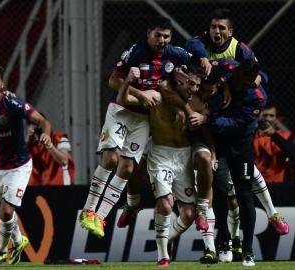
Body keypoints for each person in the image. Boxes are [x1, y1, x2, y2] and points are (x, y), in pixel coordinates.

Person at [79, 16, 191, 238]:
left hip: (143, 119)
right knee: (111, 159)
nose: (161, 40)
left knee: (128, 168)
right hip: (121, 110)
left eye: (166, 36)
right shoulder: (135, 52)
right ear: (149, 33)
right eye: (157, 35)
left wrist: (203, 63)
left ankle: (100, 217)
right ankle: (88, 210)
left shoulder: (174, 54)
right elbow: (113, 80)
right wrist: (140, 92)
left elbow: (197, 59)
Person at [117, 65, 205, 267]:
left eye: (197, 85)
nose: (193, 88)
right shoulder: (157, 97)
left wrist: (204, 117)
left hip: (184, 157)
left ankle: (167, 238)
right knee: (165, 205)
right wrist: (129, 82)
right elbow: (123, 100)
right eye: (190, 83)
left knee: (189, 215)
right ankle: (162, 255)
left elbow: (210, 120)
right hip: (161, 155)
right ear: (180, 80)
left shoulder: (199, 102)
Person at [0, 64, 52, 265]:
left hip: (19, 166)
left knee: (6, 210)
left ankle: (1, 251)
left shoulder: (13, 103)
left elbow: (43, 121)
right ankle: (19, 241)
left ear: (2, 83)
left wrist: (44, 133)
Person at [209, 58, 267, 267]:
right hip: (220, 146)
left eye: (247, 81)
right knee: (221, 189)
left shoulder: (257, 97)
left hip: (241, 146)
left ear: (253, 80)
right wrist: (222, 82)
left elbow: (238, 124)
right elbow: (213, 64)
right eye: (240, 79)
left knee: (244, 195)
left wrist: (211, 118)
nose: (242, 84)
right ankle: (224, 241)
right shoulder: (230, 70)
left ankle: (248, 251)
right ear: (238, 73)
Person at [27, 116, 75, 185]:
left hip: (59, 186)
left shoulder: (59, 138)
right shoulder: (31, 145)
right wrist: (27, 141)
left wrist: (49, 145)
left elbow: (64, 161)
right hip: (37, 188)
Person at [254, 104, 295, 183]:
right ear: (260, 117)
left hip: (279, 181)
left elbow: (291, 153)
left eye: (271, 115)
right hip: (257, 182)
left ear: (276, 118)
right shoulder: (252, 135)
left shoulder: (287, 135)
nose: (268, 118)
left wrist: (273, 134)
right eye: (265, 115)